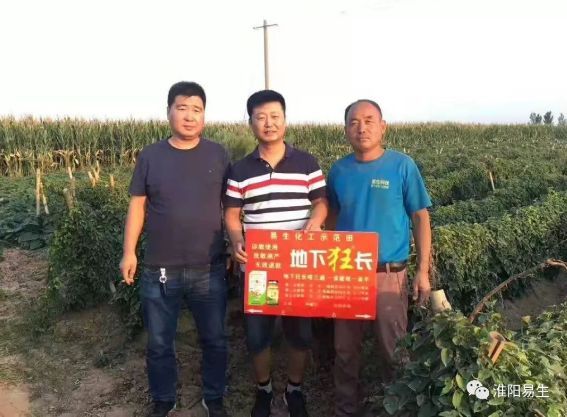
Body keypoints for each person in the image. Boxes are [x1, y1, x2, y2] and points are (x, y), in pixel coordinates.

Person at [119, 81, 231, 417]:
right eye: (182, 108)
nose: (189, 116)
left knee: (214, 339)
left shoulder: (218, 155)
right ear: (168, 112)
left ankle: (214, 397)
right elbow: (137, 206)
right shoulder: (151, 156)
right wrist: (129, 251)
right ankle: (164, 399)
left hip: (208, 266)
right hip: (160, 268)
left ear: (204, 116)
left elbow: (230, 206)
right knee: (159, 342)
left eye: (197, 109)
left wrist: (232, 245)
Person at [224, 90, 328, 417]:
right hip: (259, 266)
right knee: (258, 336)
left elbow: (321, 202)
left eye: (275, 116)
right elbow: (231, 214)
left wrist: (315, 222)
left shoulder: (306, 163)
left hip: (298, 265)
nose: (268, 123)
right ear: (251, 123)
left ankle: (294, 390)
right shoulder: (240, 170)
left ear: (285, 120)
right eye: (261, 117)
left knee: (300, 334)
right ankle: (264, 390)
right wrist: (236, 240)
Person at [327, 99, 432, 417]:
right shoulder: (339, 171)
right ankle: (346, 409)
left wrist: (422, 271)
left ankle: (398, 408)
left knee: (394, 348)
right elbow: (331, 218)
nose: (362, 128)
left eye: (369, 121)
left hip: (389, 274)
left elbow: (420, 217)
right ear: (345, 130)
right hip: (348, 273)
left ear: (383, 127)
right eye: (354, 122)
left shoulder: (402, 166)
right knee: (345, 350)